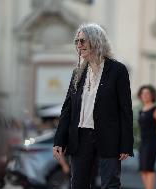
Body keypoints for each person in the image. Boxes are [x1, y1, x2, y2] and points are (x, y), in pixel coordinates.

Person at [53, 23, 134, 189]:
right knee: (78, 184)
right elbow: (67, 109)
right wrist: (59, 140)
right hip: (80, 138)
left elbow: (125, 110)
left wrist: (126, 143)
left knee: (110, 183)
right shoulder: (78, 73)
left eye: (82, 40)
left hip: (108, 137)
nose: (79, 45)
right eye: (77, 41)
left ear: (96, 41)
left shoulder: (118, 70)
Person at [137, 85, 156, 189]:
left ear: (152, 95)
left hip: (152, 142)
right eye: (143, 93)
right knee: (142, 169)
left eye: (147, 93)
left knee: (149, 168)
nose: (145, 95)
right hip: (143, 142)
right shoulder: (141, 110)